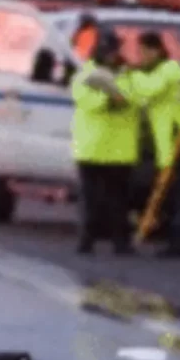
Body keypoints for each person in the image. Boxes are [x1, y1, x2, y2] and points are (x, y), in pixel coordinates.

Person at [131, 31, 180, 257]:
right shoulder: (162, 70)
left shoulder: (170, 69)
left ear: (155, 50)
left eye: (143, 52)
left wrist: (131, 74)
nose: (141, 57)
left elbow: (148, 89)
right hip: (171, 140)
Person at [71, 29, 139, 255]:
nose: (113, 55)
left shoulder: (128, 74)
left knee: (119, 202)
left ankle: (121, 243)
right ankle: (86, 241)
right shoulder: (85, 74)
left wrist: (117, 97)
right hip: (92, 148)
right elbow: (85, 100)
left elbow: (135, 98)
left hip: (120, 151)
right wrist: (108, 98)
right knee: (91, 201)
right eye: (109, 51)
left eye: (115, 50)